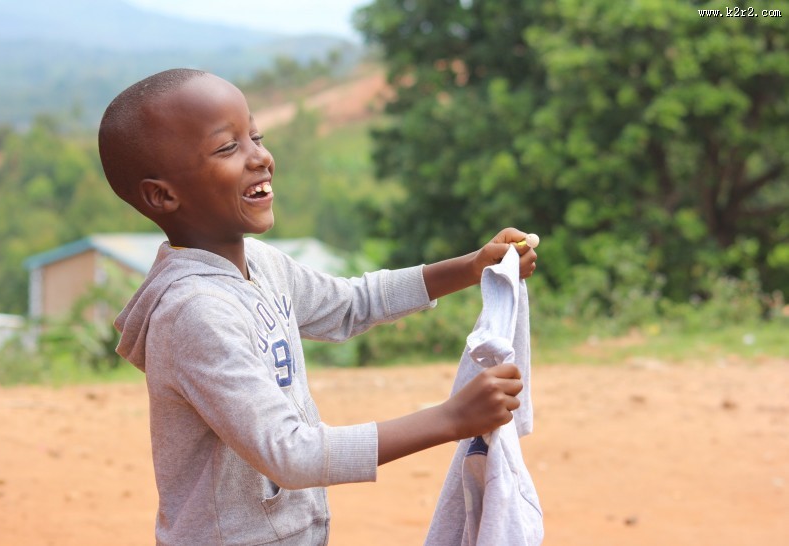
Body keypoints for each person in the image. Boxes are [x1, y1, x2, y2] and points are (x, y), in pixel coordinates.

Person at [98, 67, 538, 546]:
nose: (260, 157)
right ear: (163, 195)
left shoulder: (263, 265)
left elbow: (352, 303)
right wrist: (451, 418)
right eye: (228, 148)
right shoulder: (194, 312)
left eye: (256, 136)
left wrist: (470, 268)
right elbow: (290, 454)